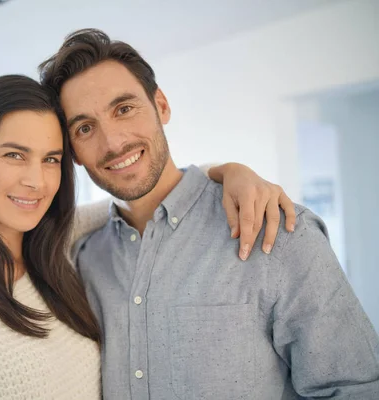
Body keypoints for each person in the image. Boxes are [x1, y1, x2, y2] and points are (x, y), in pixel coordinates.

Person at [0, 75, 295, 399]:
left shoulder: (57, 244)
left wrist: (230, 173)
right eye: (15, 155)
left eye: (51, 159)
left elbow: (147, 199)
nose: (36, 180)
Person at [39, 29, 379, 399]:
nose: (113, 142)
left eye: (124, 109)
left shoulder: (277, 232)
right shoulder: (83, 260)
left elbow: (356, 389)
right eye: (85, 128)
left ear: (161, 105)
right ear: (72, 150)